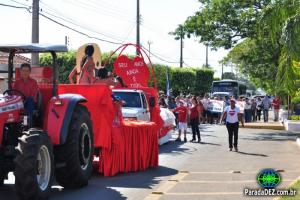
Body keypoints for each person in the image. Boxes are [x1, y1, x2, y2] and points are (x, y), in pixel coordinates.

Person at [13, 63, 39, 127]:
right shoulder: (17, 82)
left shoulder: (33, 82)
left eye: (27, 71)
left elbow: (34, 95)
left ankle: (28, 124)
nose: (25, 72)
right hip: (19, 102)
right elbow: (14, 94)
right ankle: (12, 125)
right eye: (23, 70)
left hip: (30, 102)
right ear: (20, 71)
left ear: (30, 72)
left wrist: (24, 101)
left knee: (29, 100)